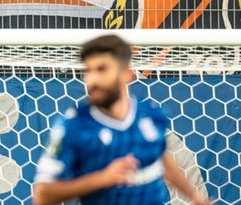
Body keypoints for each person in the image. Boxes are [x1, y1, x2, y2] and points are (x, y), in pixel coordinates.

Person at [33, 34, 211, 205]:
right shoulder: (74, 126)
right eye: (88, 70)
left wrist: (194, 196)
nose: (92, 79)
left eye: (102, 69)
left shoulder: (150, 115)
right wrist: (102, 179)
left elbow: (161, 155)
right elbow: (42, 194)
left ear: (126, 74)